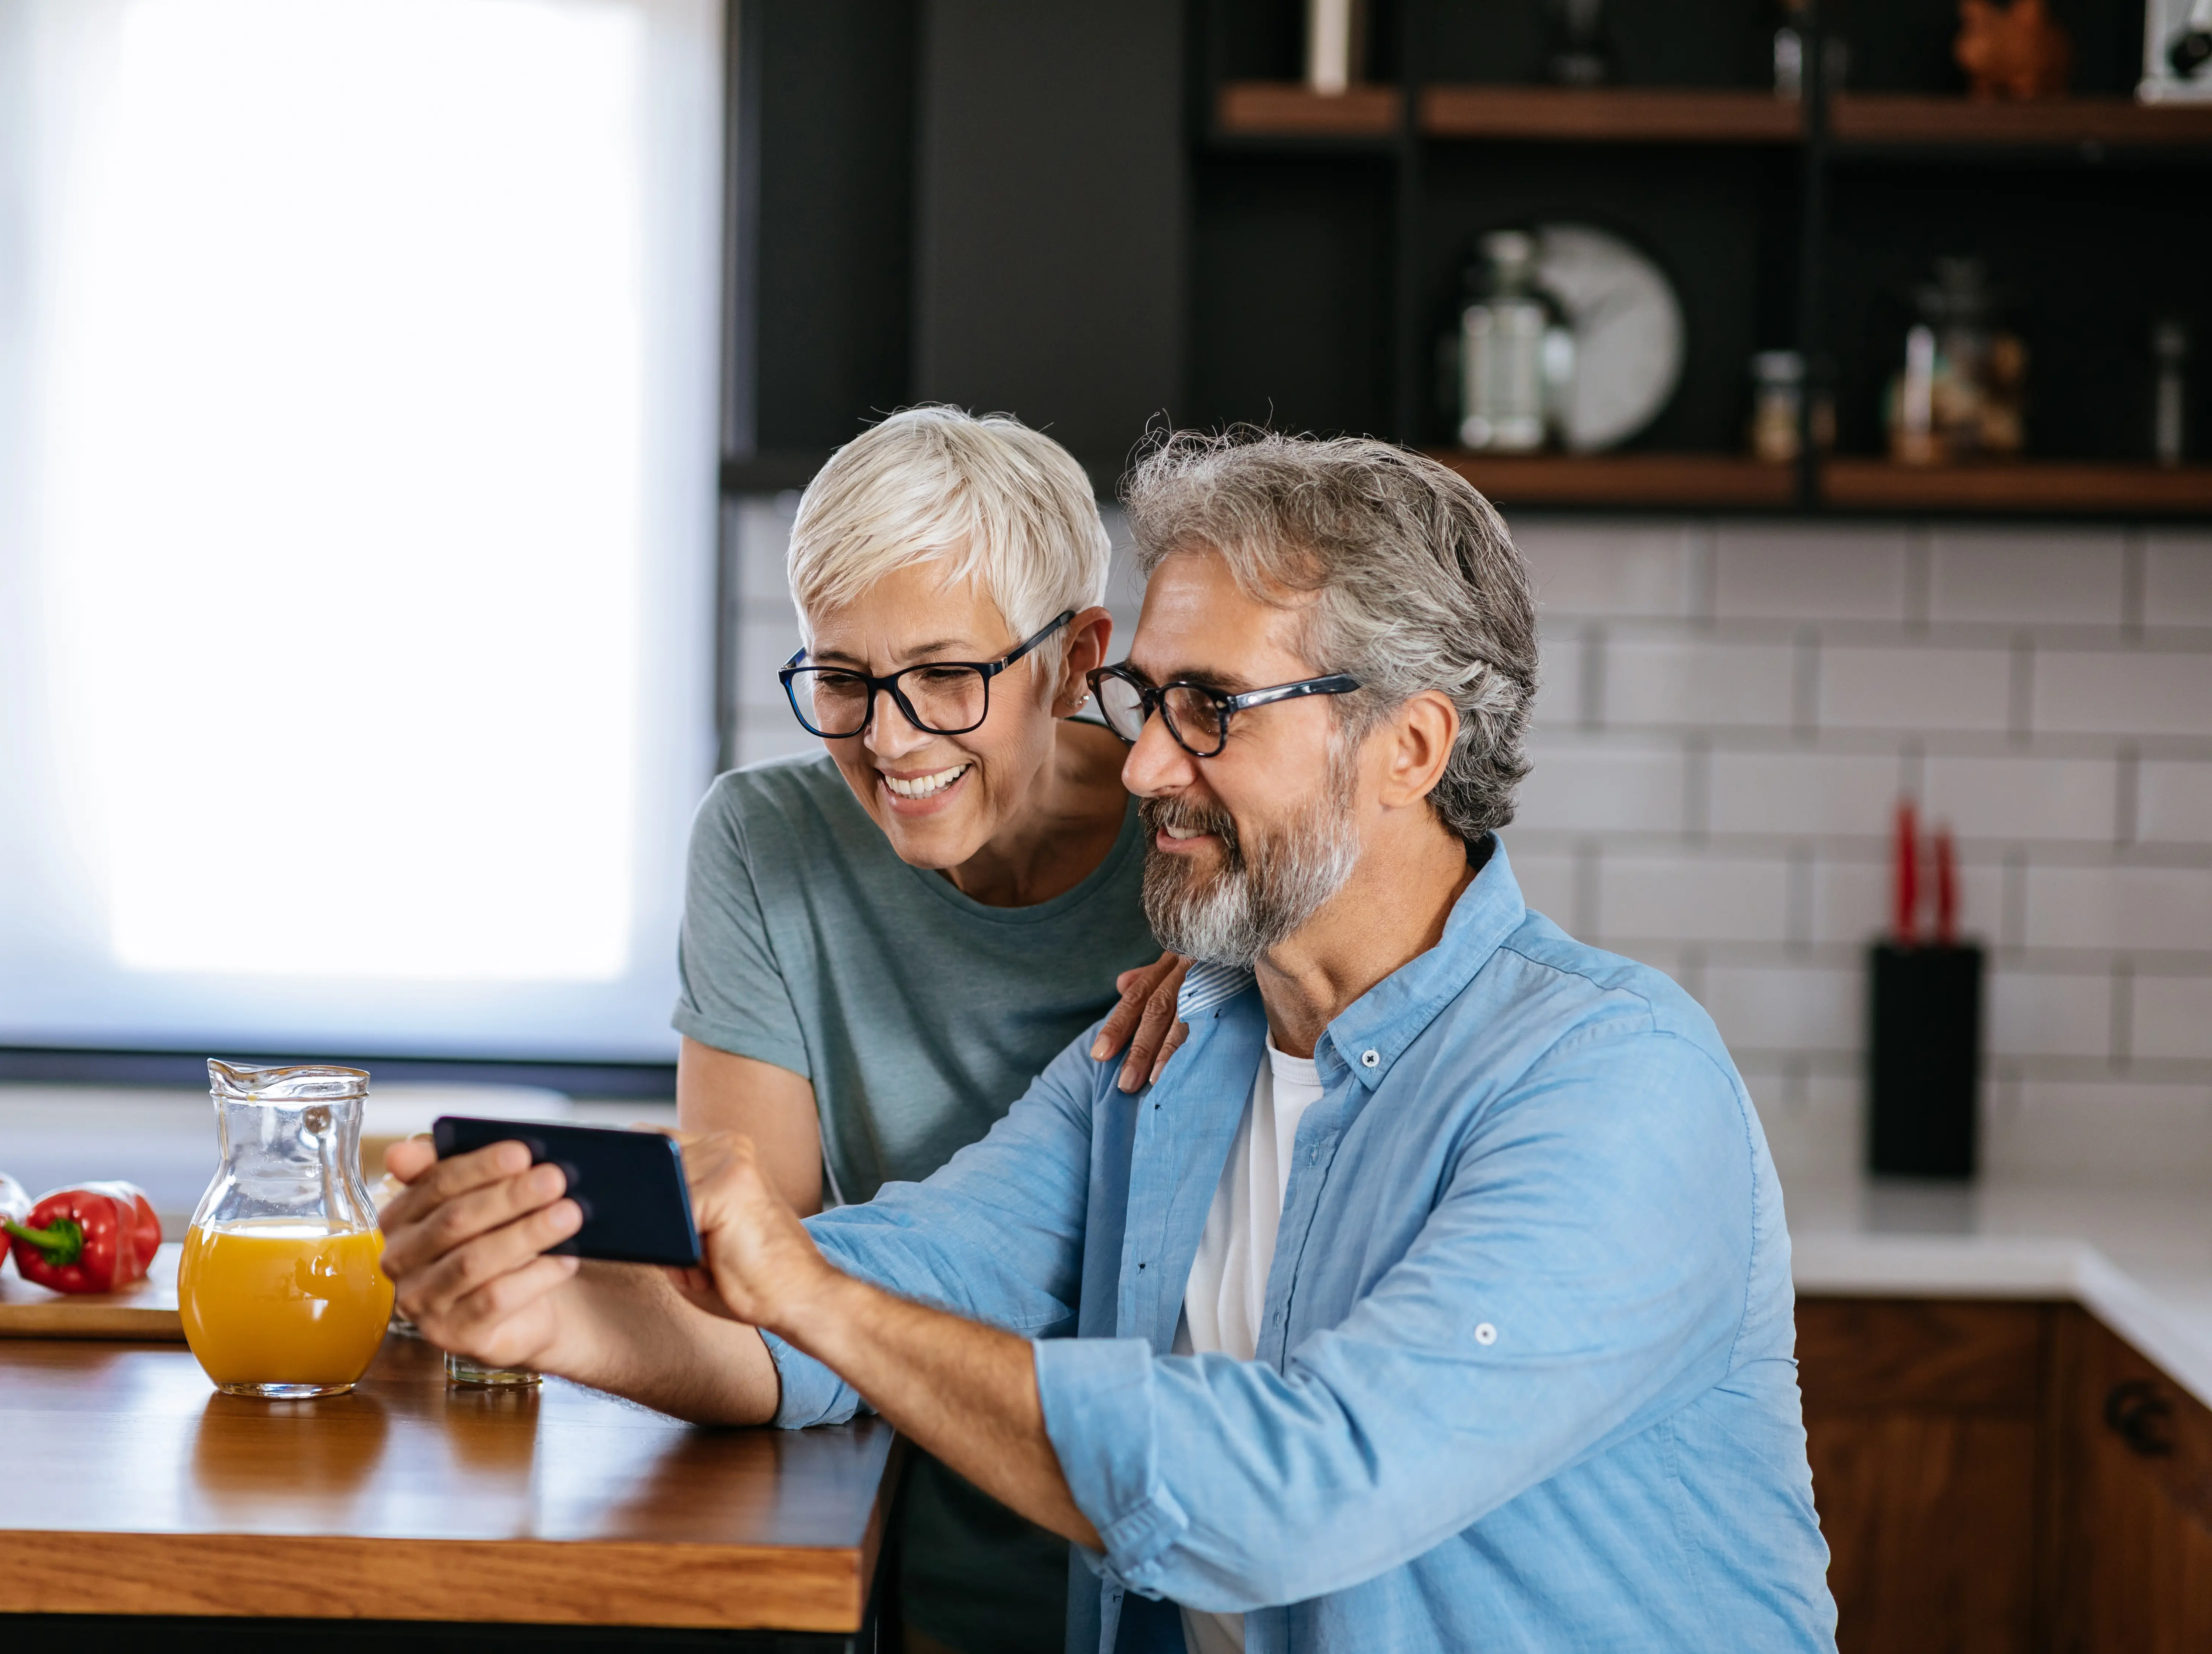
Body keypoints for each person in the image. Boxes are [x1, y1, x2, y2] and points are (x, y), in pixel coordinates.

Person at [384, 430, 1839, 1653]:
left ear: (1409, 748)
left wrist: (815, 1299)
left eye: (1209, 710)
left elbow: (1298, 1488)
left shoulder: (1617, 1083)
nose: (1142, 763)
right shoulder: (1180, 1046)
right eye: (1150, 702)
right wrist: (556, 1315)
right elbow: (895, 1277)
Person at [671, 404, 1192, 1653]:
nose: (890, 740)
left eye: (947, 678)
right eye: (842, 680)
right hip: (892, 1528)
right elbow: (763, 1283)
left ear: (1077, 660)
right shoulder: (765, 844)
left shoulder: (1201, 860)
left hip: (1172, 1546)